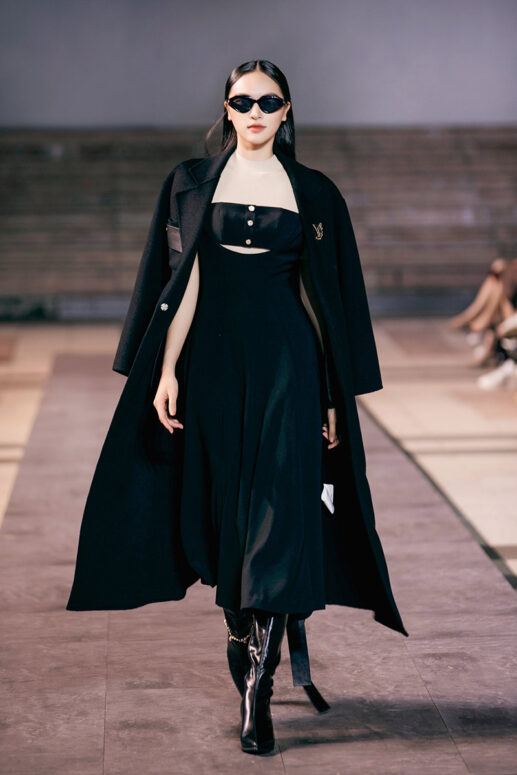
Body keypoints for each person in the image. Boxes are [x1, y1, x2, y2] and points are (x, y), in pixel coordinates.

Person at [66, 58, 408, 757]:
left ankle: (258, 683)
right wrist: (166, 369)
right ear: (225, 108)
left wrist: (331, 393)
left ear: (287, 110)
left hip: (288, 362)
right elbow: (183, 280)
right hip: (213, 365)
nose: (255, 112)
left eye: (268, 101)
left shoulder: (314, 191)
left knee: (282, 509)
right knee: (226, 512)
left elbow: (322, 295)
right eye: (242, 101)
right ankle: (240, 631)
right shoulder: (191, 182)